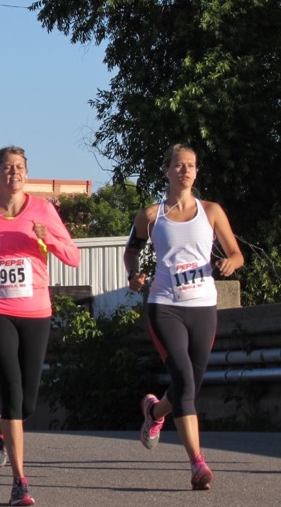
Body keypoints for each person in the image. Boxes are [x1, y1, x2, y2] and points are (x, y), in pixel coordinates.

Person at [0, 146, 80, 507]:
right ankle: (20, 482)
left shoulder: (44, 210)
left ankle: (0, 429)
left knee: (28, 403)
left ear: (26, 173)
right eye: (7, 168)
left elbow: (73, 257)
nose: (14, 173)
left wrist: (48, 238)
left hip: (36, 311)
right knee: (12, 389)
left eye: (19, 167)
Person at [124, 143, 243, 491]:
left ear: (196, 171)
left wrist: (230, 262)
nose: (186, 170)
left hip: (203, 306)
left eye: (191, 165)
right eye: (179, 165)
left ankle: (154, 412)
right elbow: (131, 252)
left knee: (189, 384)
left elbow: (236, 253)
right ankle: (197, 463)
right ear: (167, 170)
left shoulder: (211, 211)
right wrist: (133, 275)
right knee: (185, 383)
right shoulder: (151, 215)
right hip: (165, 305)